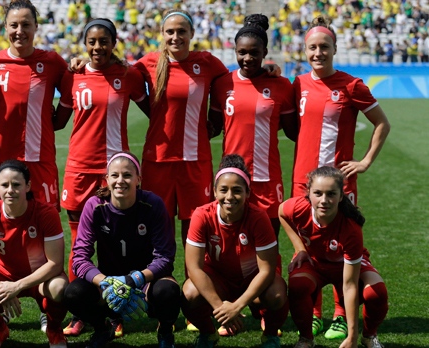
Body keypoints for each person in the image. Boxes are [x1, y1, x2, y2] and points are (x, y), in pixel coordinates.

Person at [292, 15, 390, 340]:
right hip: (302, 181)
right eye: (312, 48)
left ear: (335, 48)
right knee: (308, 245)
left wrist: (364, 162)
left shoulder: (351, 85)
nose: (318, 53)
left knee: (343, 247)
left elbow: (382, 123)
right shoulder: (299, 84)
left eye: (324, 47)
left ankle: (339, 314)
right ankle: (315, 312)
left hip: (339, 185)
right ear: (305, 51)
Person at [53, 18, 149, 337]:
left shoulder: (128, 74)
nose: (98, 47)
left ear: (114, 42)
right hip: (79, 168)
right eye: (92, 41)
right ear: (84, 44)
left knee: (113, 243)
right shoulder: (74, 76)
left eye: (104, 41)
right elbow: (57, 120)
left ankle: (115, 310)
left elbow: (154, 108)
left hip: (114, 171)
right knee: (79, 245)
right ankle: (80, 312)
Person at [133, 9, 229, 250]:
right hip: (158, 159)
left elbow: (234, 84)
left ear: (192, 33)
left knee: (196, 226)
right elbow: (118, 76)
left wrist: (214, 121)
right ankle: (159, 282)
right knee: (156, 225)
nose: (176, 37)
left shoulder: (207, 62)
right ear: (162, 34)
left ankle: (193, 282)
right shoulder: (149, 63)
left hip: (195, 160)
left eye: (182, 31)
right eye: (170, 32)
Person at [63, 152, 180, 348]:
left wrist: (134, 279)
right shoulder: (95, 206)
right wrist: (106, 282)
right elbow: (80, 258)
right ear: (106, 179)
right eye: (114, 175)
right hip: (108, 283)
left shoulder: (153, 205)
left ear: (138, 180)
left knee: (168, 291)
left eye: (127, 175)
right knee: (74, 293)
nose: (120, 181)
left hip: (146, 280)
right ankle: (102, 329)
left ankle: (166, 332)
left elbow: (165, 257)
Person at [182, 154, 288, 348]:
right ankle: (208, 334)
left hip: (252, 278)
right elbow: (194, 268)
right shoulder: (201, 215)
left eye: (237, 191)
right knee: (189, 293)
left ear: (248, 193)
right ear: (214, 191)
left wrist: (237, 306)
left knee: (277, 294)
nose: (229, 197)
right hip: (219, 280)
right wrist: (220, 308)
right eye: (223, 190)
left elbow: (267, 270)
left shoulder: (258, 217)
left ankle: (270, 336)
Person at [0, 160, 68, 348]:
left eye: (16, 184)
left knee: (59, 287)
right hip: (4, 274)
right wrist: (0, 287)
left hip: (39, 277)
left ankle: (54, 330)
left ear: (27, 186)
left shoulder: (46, 213)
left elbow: (55, 263)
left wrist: (17, 286)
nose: (10, 190)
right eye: (5, 185)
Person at [280, 166, 388, 348]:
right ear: (308, 193)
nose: (324, 200)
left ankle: (369, 336)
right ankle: (306, 339)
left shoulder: (351, 228)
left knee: (376, 292)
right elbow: (282, 212)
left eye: (331, 194)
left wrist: (352, 336)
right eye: (318, 193)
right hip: (314, 263)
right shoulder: (298, 207)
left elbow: (350, 284)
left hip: (344, 268)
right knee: (298, 286)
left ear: (341, 196)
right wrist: (300, 249)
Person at [210, 14, 296, 237]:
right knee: (230, 237)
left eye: (254, 52)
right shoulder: (222, 84)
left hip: (267, 177)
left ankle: (269, 273)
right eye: (242, 52)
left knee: (269, 238)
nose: (248, 58)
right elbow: (212, 127)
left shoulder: (282, 85)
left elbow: (293, 131)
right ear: (235, 52)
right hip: (232, 175)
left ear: (265, 53)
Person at [0, 0, 67, 211]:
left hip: (40, 158)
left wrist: (57, 120)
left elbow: (77, 89)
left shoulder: (52, 62)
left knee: (47, 224)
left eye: (26, 25)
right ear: (5, 27)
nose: (20, 31)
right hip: (0, 158)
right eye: (14, 25)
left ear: (36, 27)